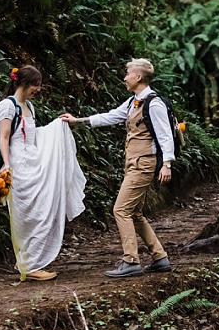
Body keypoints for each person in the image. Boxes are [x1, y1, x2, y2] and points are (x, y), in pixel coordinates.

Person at [61, 59, 176, 278]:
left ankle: (131, 261)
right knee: (134, 212)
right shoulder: (134, 102)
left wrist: (167, 164)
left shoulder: (154, 103)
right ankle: (160, 258)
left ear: (139, 77)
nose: (125, 77)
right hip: (134, 162)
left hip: (144, 163)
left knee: (120, 210)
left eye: (128, 73)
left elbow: (165, 136)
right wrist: (78, 121)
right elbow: (112, 116)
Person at [0, 66, 86, 281]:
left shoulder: (30, 107)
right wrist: (6, 164)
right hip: (19, 165)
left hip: (33, 160)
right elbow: (5, 137)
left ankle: (28, 261)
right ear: (24, 84)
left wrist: (58, 126)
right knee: (27, 214)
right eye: (35, 84)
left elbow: (33, 135)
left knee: (42, 209)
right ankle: (31, 264)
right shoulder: (7, 106)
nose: (38, 89)